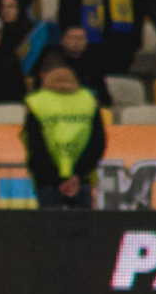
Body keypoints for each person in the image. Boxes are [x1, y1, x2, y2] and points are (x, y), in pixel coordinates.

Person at [23, 51, 106, 208]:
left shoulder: (36, 102)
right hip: (82, 180)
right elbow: (98, 143)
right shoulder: (89, 101)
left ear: (45, 77)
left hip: (47, 182)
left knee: (49, 223)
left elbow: (35, 145)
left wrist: (56, 179)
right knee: (82, 223)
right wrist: (77, 176)